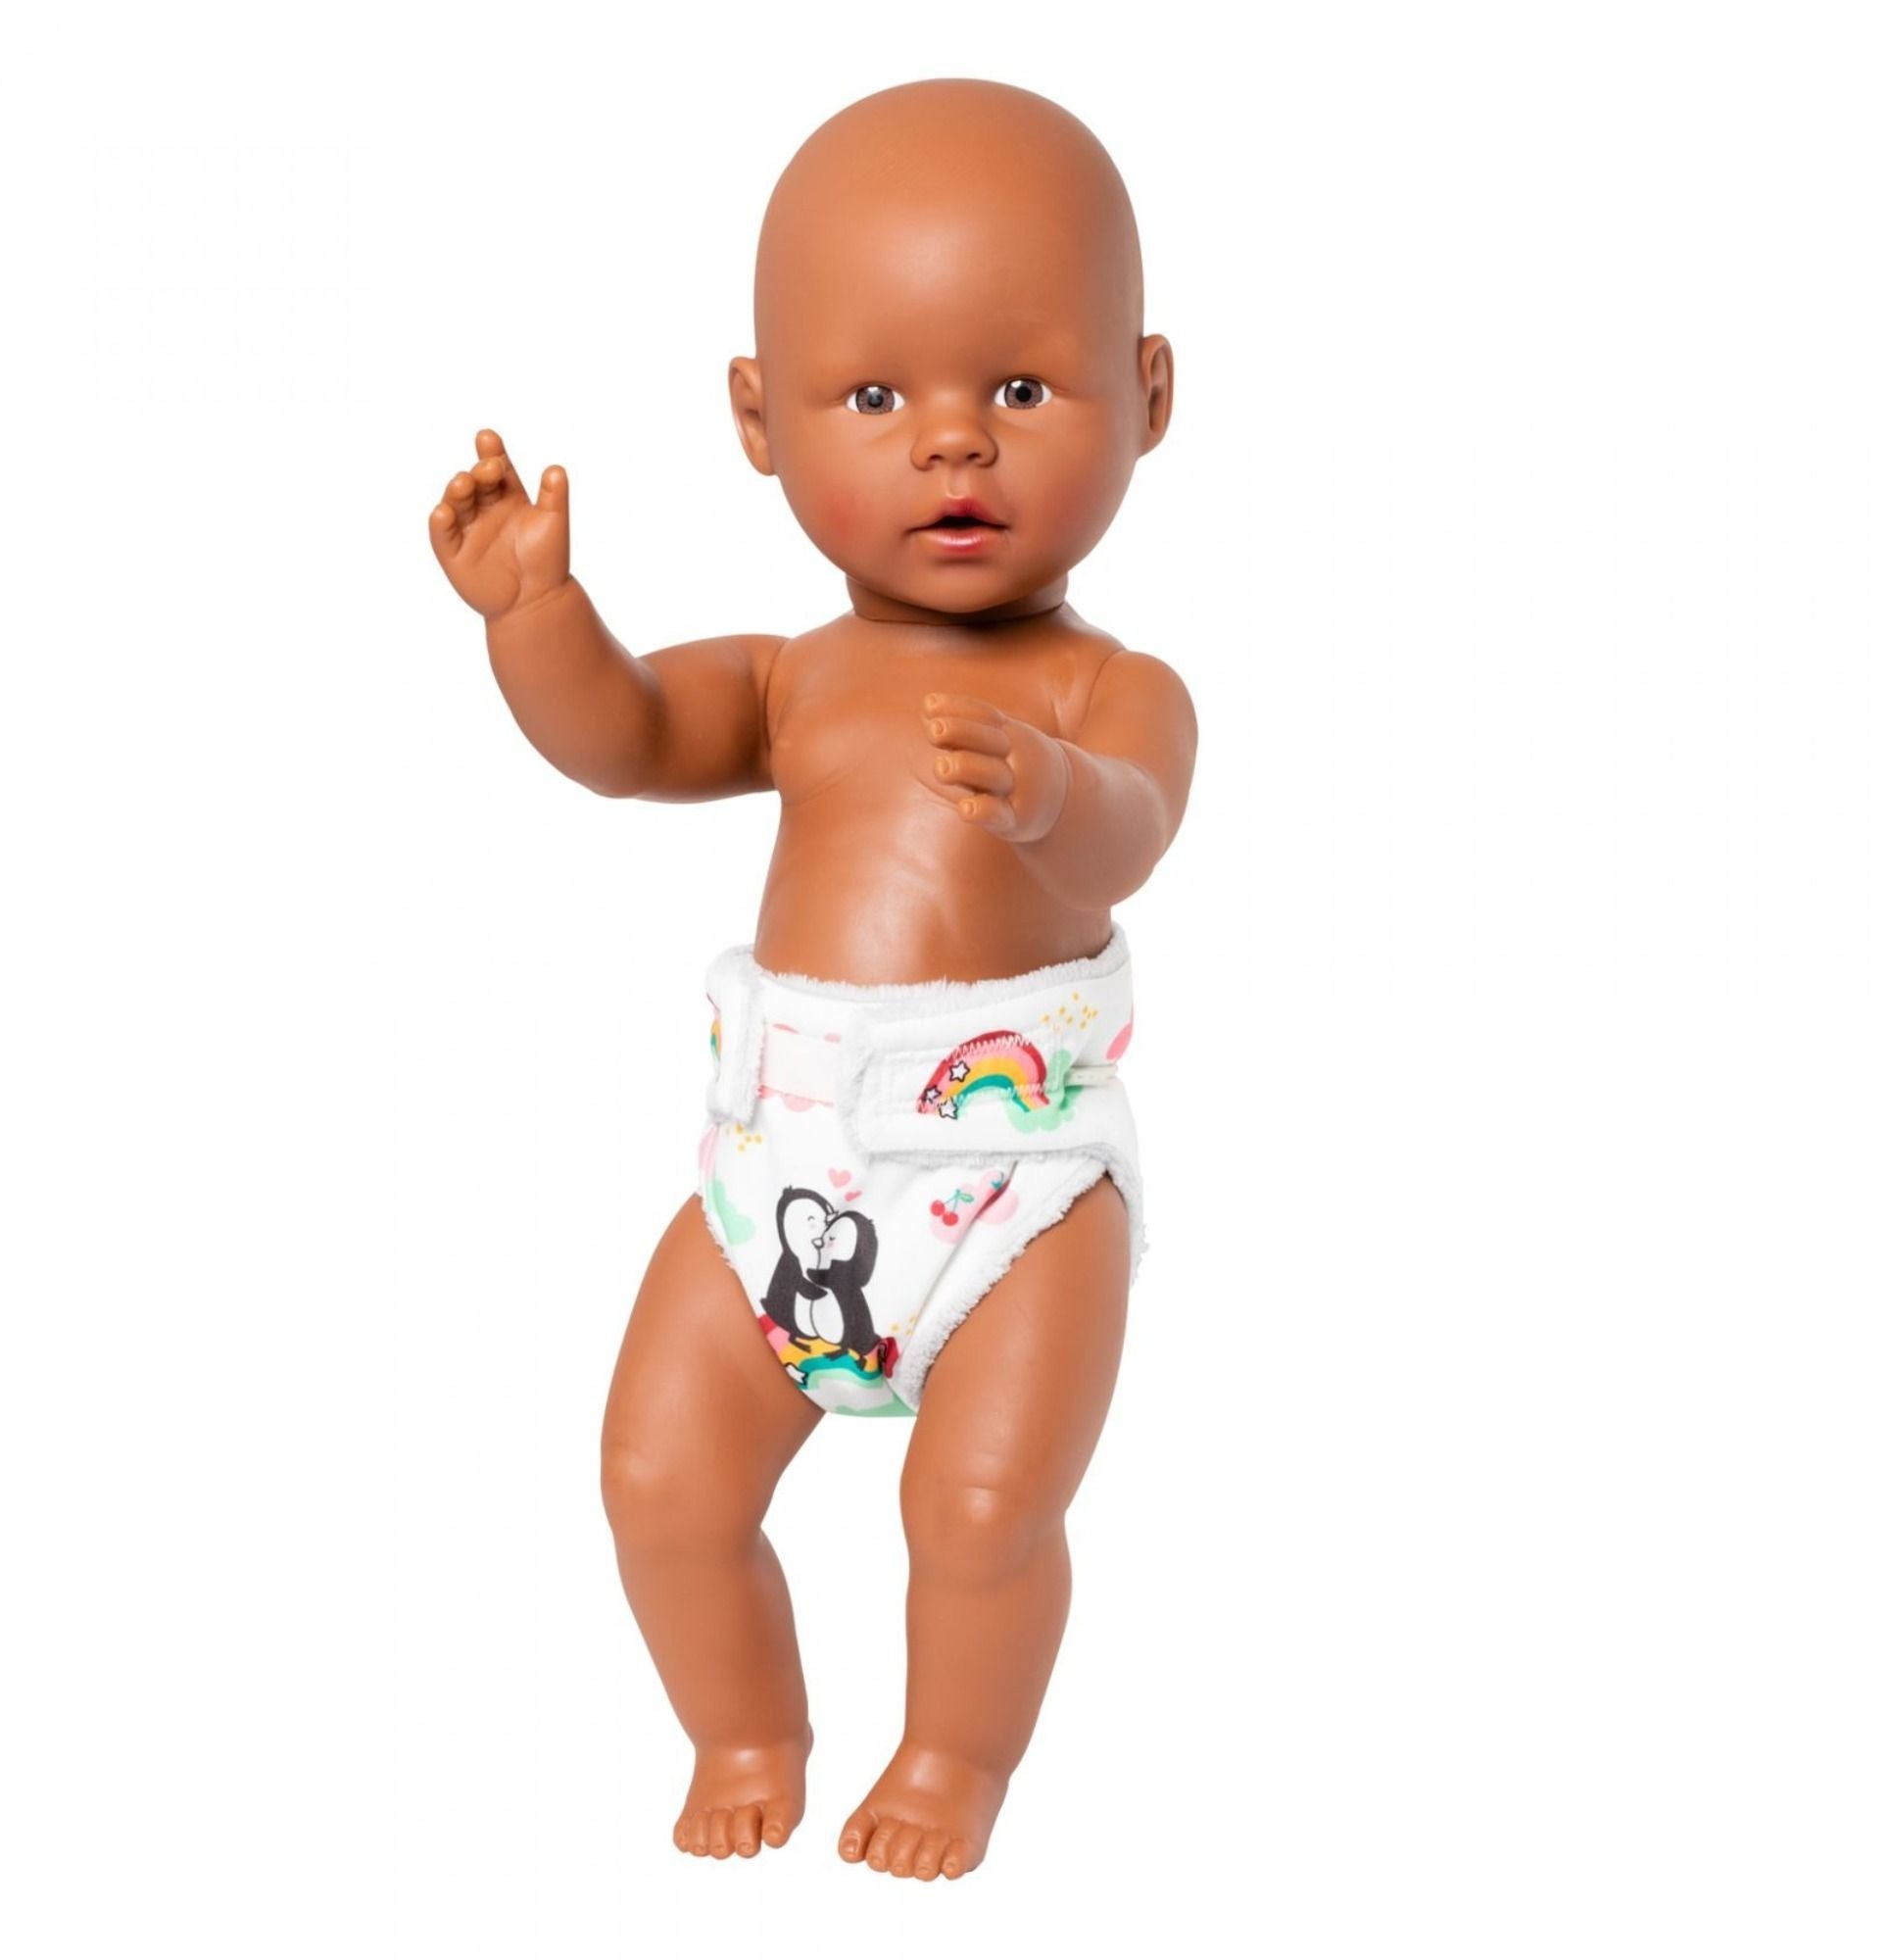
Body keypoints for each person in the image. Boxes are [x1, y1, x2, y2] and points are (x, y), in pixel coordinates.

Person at [428, 77, 1194, 1881]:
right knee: (659, 1478)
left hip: (1016, 1187)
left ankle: (954, 1759)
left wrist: (1056, 802)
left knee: (982, 1510)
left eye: (1024, 389)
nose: (955, 444)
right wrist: (537, 620)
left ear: (1149, 395)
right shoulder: (794, 679)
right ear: (759, 422)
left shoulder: (1108, 691)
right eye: (876, 399)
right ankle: (745, 1727)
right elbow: (627, 737)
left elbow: (1136, 827)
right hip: (785, 1169)